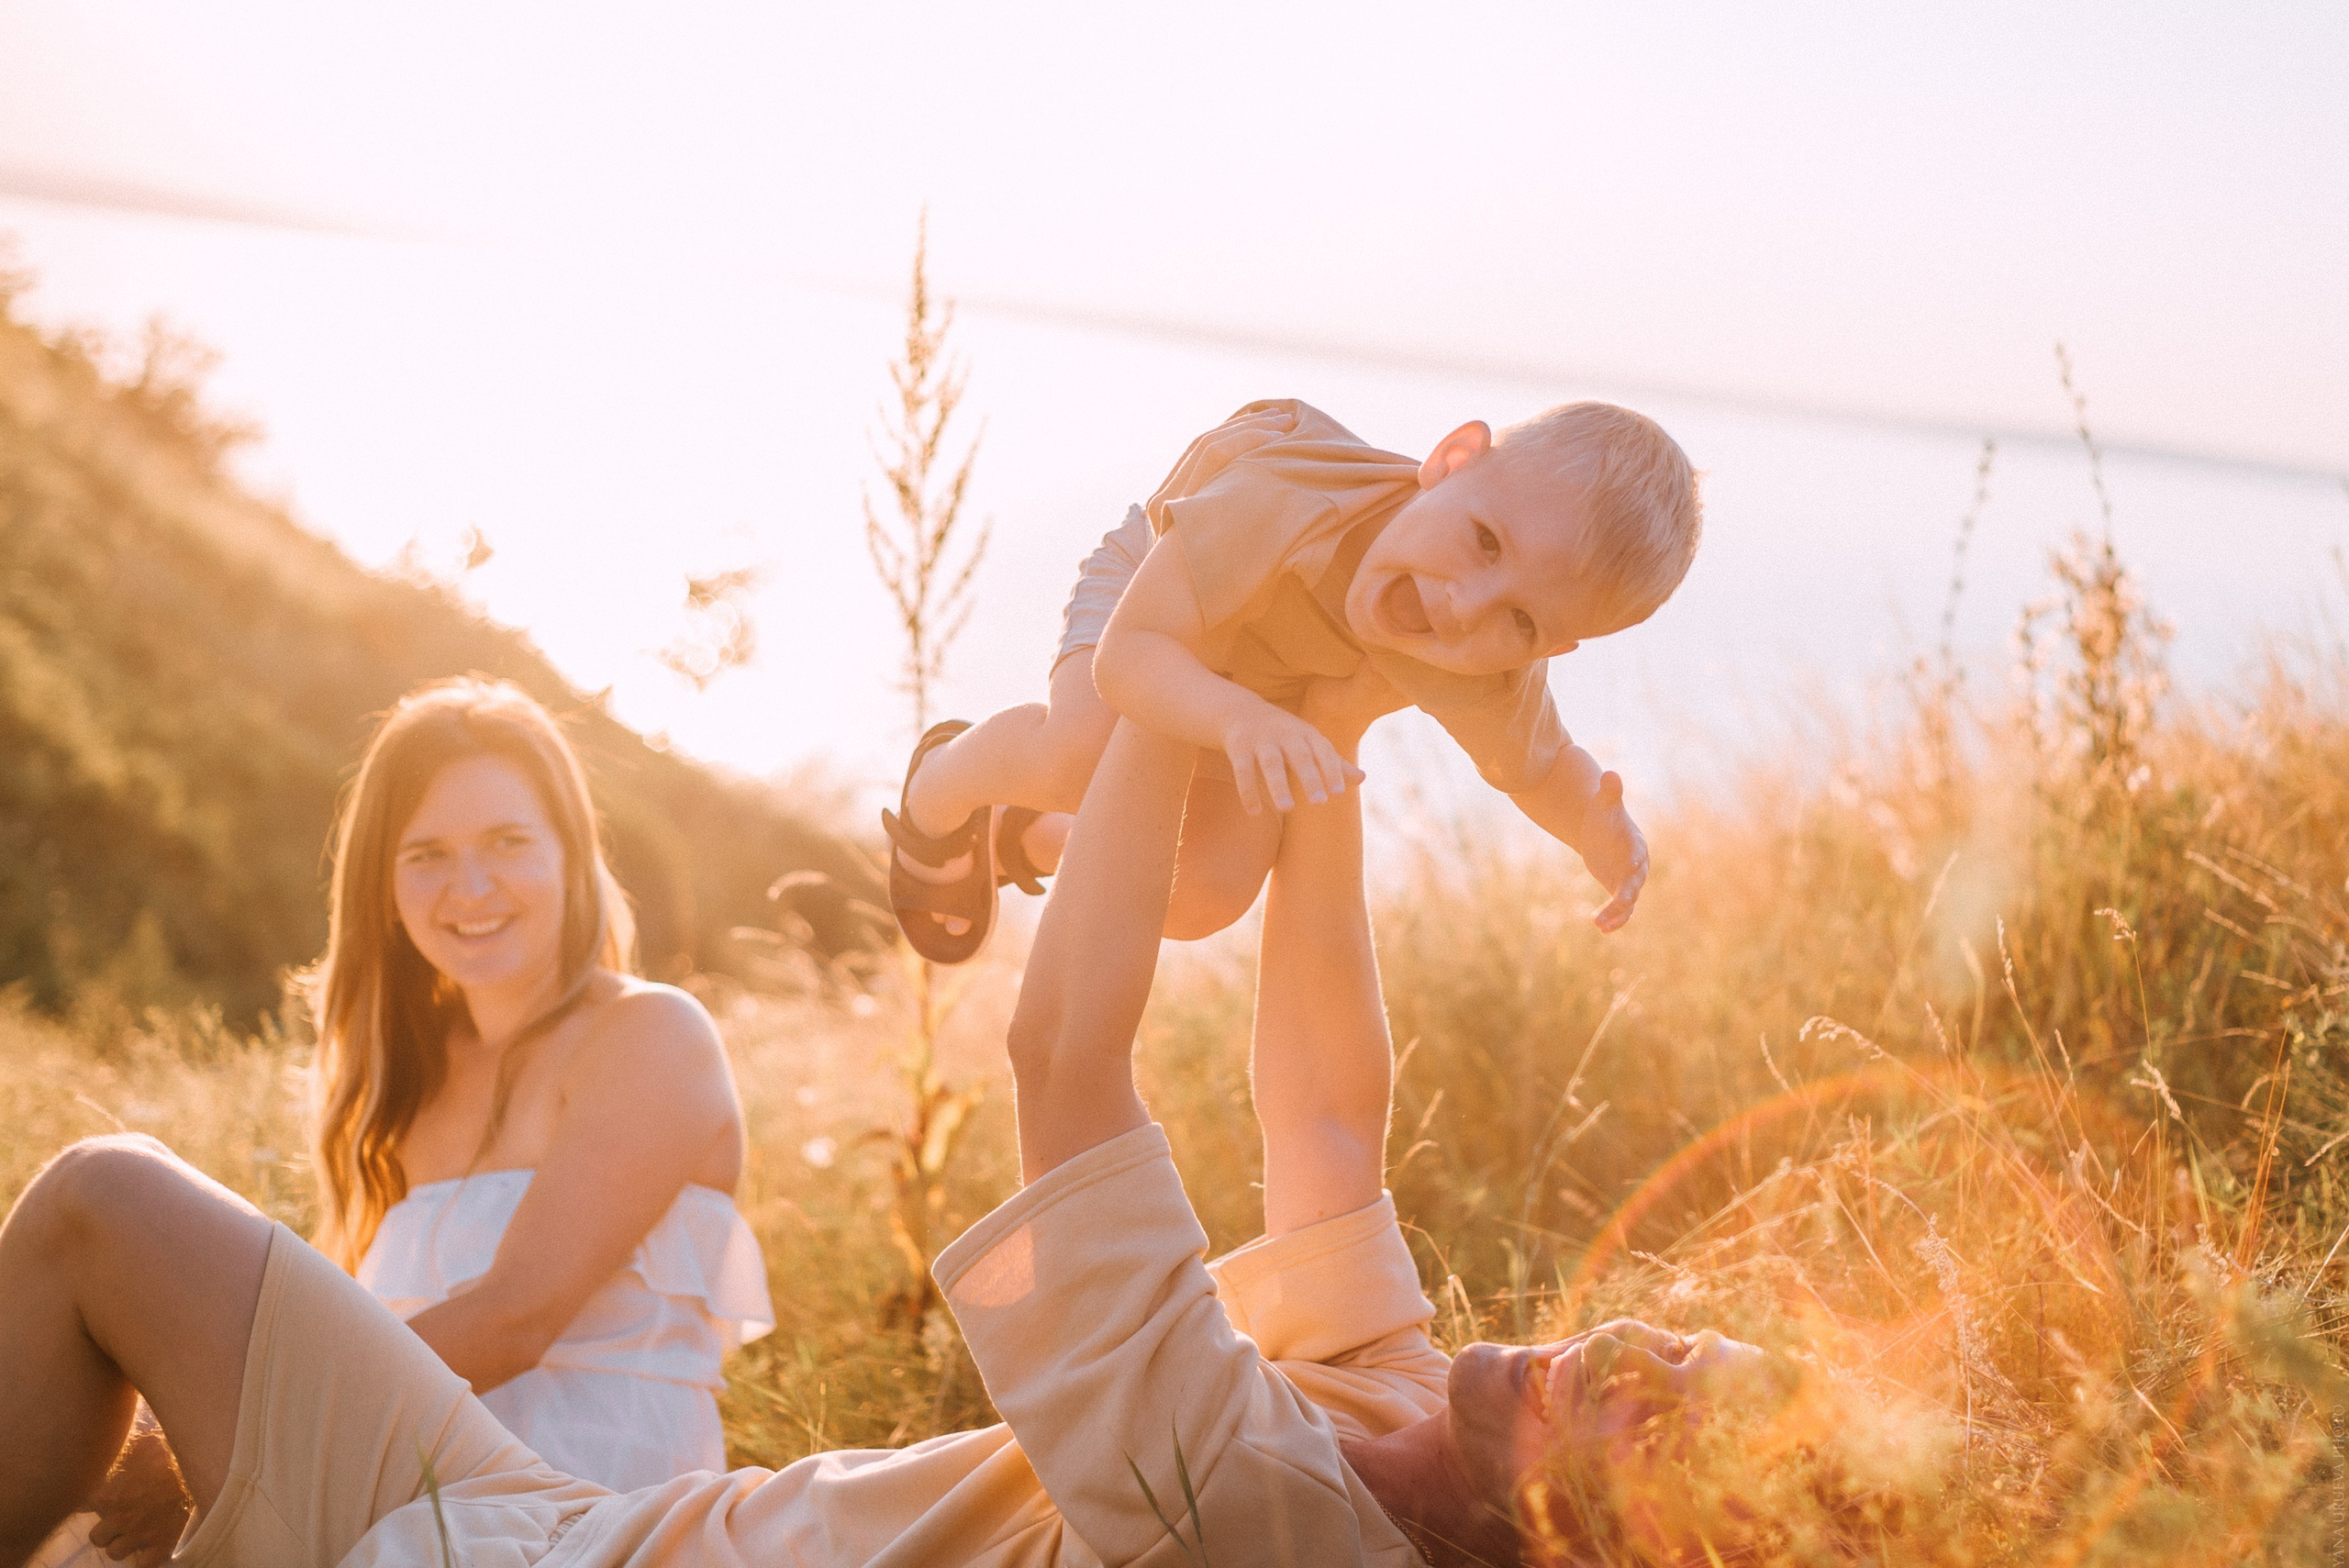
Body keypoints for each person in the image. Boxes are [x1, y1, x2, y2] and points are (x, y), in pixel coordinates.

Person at [0, 677, 1765, 1568]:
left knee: (99, 1204)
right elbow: (1323, 1105)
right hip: (586, 1525)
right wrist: (1322, 715)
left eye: (1650, 1414)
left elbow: (1065, 1052)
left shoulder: (1278, 1507)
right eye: (1679, 1337)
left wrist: (1169, 670)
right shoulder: (1389, 1392)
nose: (1624, 1338)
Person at [28, 678, 773, 1565]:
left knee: (101, 1190)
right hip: (403, 1501)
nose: (472, 885)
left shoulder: (649, 1034)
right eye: (427, 854)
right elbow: (355, 1337)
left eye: (507, 841)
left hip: (575, 1515)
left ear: (570, 855)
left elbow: (514, 1317)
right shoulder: (406, 1092)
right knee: (83, 1484)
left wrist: (202, 1449)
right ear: (383, 885)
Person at [882, 396, 1702, 962]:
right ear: (1452, 462)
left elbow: (1543, 766)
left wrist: (1602, 831)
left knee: (1207, 895)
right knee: (1081, 752)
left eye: (1523, 622)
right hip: (1160, 597)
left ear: (1554, 646)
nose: (1464, 606)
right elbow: (1134, 657)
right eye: (1484, 540)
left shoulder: (1494, 669)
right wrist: (1238, 719)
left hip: (1260, 697)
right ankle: (939, 792)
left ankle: (1022, 835)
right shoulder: (1292, 500)